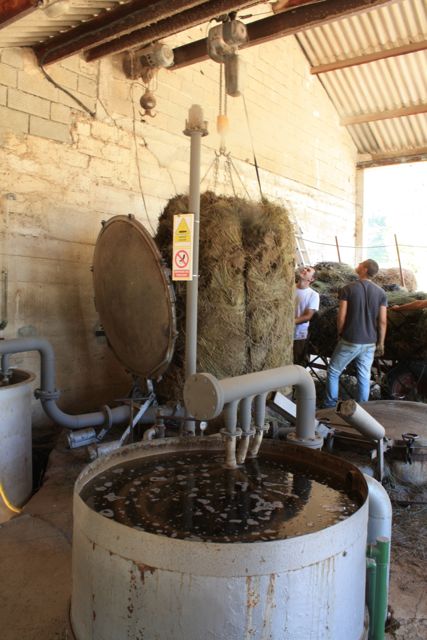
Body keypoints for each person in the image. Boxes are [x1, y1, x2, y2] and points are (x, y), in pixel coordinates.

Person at [324, 259, 387, 407]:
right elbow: (383, 321)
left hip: (351, 339)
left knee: (333, 372)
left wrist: (340, 332)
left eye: (361, 264)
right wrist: (381, 343)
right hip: (370, 342)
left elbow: (341, 316)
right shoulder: (381, 293)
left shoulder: (348, 289)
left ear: (364, 269)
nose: (357, 265)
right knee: (364, 377)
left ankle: (330, 406)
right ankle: (363, 410)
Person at [294, 266, 320, 366]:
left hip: (299, 334)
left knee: (297, 361)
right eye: (305, 268)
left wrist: (289, 323)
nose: (304, 270)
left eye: (308, 270)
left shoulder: (313, 295)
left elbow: (307, 316)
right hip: (282, 331)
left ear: (312, 279)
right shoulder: (289, 288)